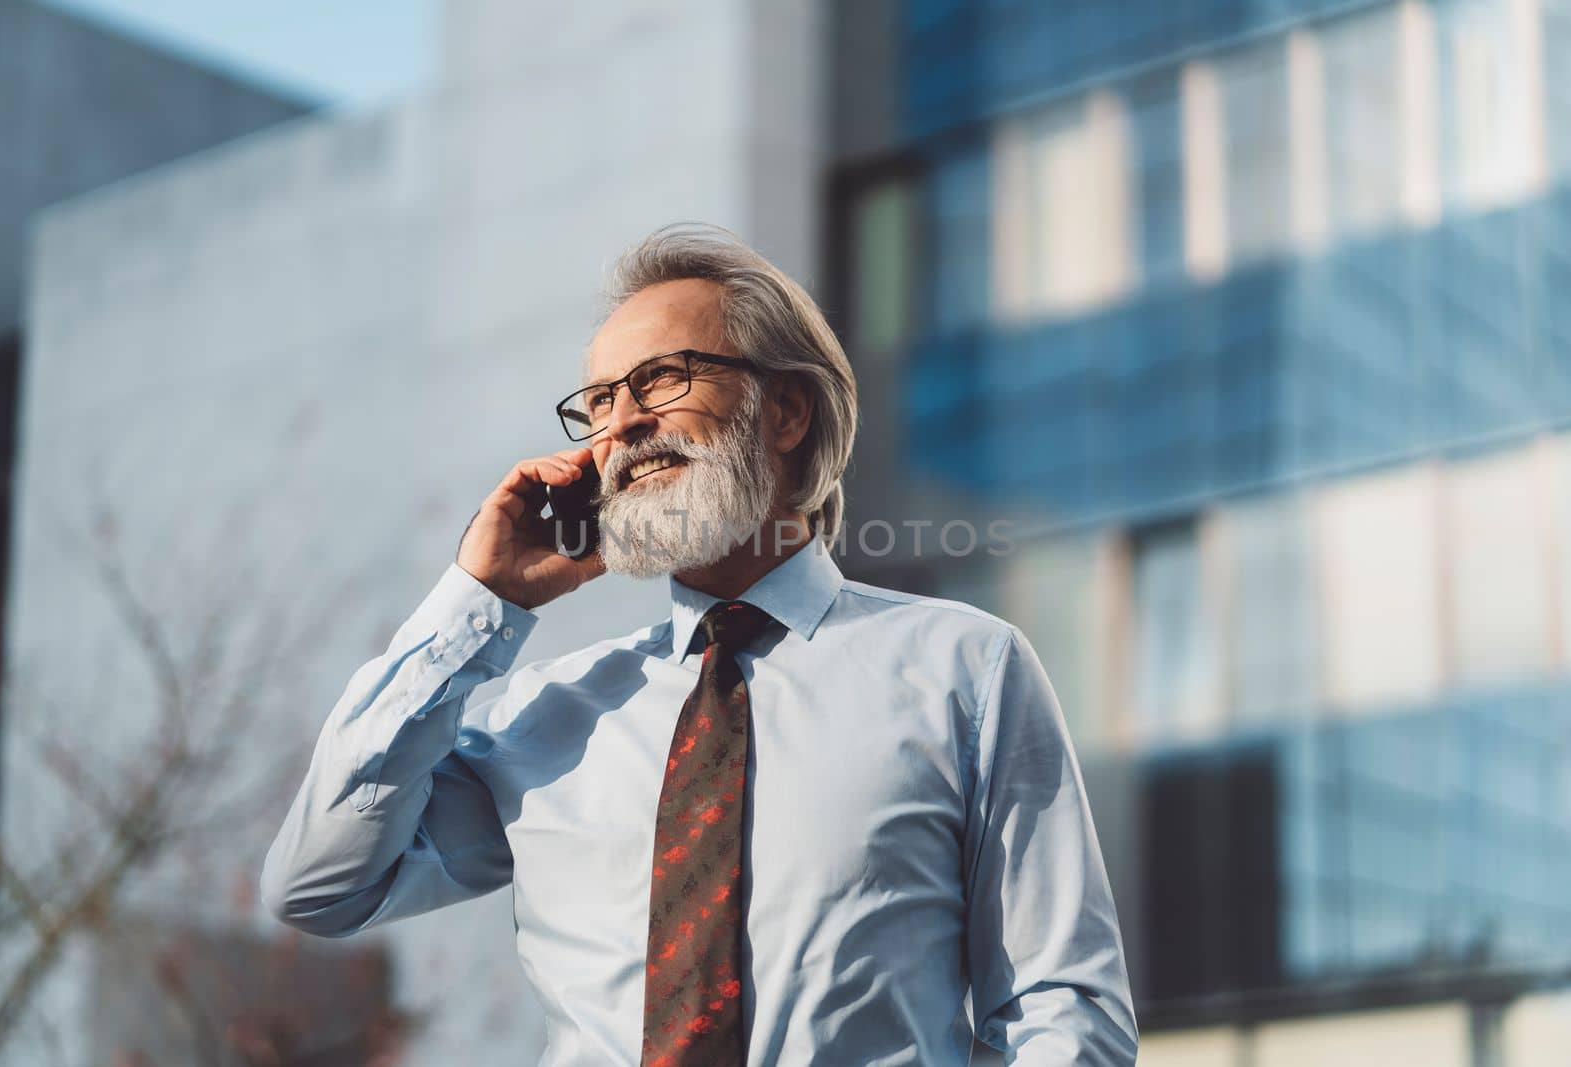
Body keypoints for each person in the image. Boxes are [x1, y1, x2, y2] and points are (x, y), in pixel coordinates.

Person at [261, 224, 1138, 1066]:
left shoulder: (964, 669)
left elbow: (1063, 1006)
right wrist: (478, 600)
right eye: (600, 401)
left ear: (786, 409)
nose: (622, 426)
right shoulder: (543, 716)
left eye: (660, 379)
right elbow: (317, 886)